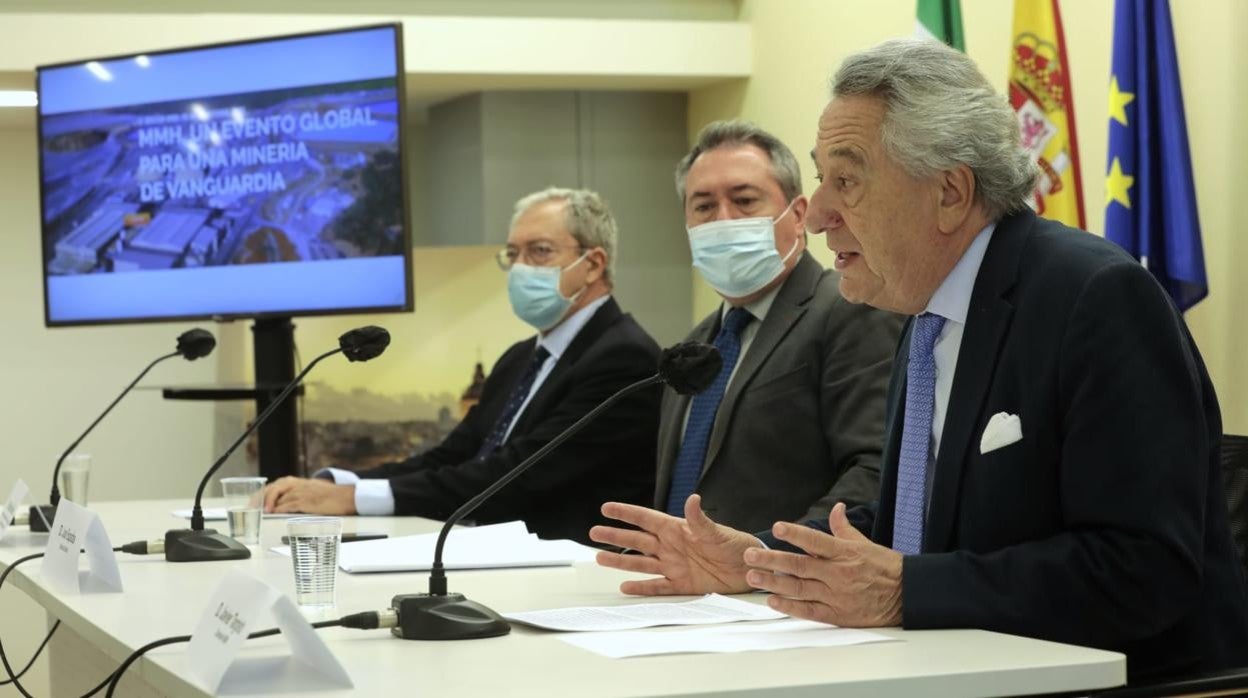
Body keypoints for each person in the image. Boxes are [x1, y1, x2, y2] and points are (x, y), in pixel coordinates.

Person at [591, 38, 1248, 682]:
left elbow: (1144, 568)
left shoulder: (1094, 298)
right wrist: (763, 560)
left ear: (951, 192)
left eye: (845, 180)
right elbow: (914, 517)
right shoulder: (922, 314)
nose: (817, 215)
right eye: (823, 179)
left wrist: (909, 590)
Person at [265, 187, 661, 543]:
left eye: (539, 251)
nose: (520, 268)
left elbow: (515, 475)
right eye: (512, 254)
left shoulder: (623, 358)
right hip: (490, 554)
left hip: (572, 575)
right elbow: (452, 456)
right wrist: (340, 481)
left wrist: (353, 499)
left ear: (593, 265)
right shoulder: (520, 357)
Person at [656, 120, 902, 533]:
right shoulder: (696, 345)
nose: (724, 220)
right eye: (703, 207)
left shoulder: (847, 311)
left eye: (745, 200)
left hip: (779, 588)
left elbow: (875, 469)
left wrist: (770, 556)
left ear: (799, 215)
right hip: (685, 590)